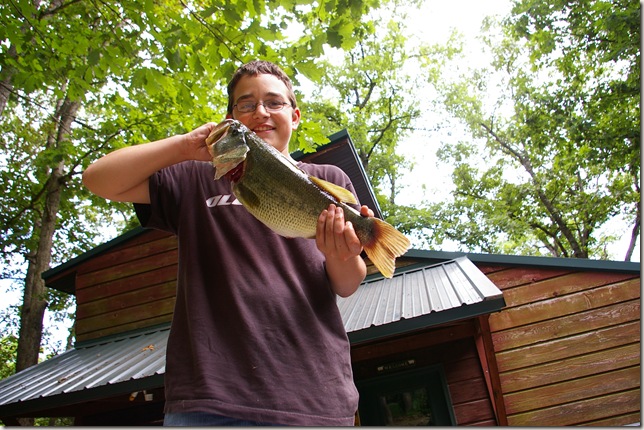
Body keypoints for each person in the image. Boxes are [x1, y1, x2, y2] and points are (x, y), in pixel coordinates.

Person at [82, 60, 373, 426]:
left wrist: (341, 255)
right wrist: (185, 146)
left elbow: (347, 284)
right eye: (246, 105)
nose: (261, 113)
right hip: (210, 398)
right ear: (230, 118)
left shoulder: (328, 179)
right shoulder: (192, 178)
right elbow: (97, 179)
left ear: (295, 115)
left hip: (314, 395)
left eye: (274, 102)